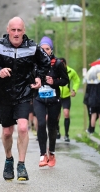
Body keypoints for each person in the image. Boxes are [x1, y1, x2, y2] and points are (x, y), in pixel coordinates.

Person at [0, 16, 51, 181]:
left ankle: (21, 164)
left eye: (19, 30)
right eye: (13, 30)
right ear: (8, 30)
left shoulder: (32, 47)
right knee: (7, 132)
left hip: (24, 93)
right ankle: (9, 159)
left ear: (24, 31)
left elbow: (46, 63)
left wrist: (39, 77)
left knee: (23, 127)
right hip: (4, 94)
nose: (16, 33)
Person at [34, 36, 69, 167]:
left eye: (47, 49)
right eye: (42, 49)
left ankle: (52, 152)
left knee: (52, 126)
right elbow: (29, 78)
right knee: (41, 123)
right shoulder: (35, 64)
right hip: (39, 99)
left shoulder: (58, 64)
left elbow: (65, 81)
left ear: (51, 50)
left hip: (54, 99)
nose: (44, 51)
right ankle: (43, 155)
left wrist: (54, 82)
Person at [58, 58, 80, 142]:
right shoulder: (56, 70)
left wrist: (74, 90)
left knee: (66, 113)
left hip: (66, 96)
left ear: (65, 65)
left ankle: (66, 134)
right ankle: (57, 132)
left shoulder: (71, 71)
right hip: (57, 95)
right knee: (56, 115)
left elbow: (77, 80)